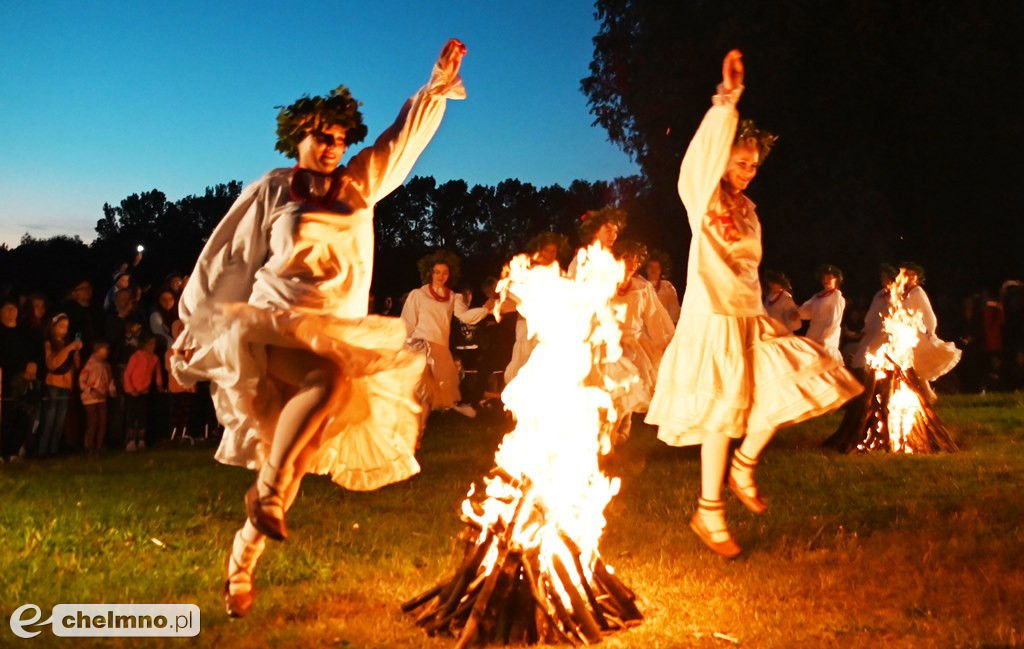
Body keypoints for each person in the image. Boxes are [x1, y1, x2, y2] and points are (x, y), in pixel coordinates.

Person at [170, 39, 467, 618]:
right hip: (274, 327)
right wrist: (193, 326)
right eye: (320, 136)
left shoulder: (360, 185)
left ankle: (241, 561)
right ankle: (268, 505)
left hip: (337, 327)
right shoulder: (274, 188)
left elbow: (401, 141)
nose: (332, 147)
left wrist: (435, 85)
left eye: (339, 138)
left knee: (296, 460)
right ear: (296, 137)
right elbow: (226, 257)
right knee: (327, 382)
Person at [645, 50, 861, 558]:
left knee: (800, 375)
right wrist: (728, 101)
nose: (748, 172)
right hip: (712, 318)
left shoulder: (748, 209)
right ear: (722, 159)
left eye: (754, 166)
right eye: (740, 163)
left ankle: (744, 466)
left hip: (748, 316)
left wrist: (762, 314)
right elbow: (699, 156)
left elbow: (747, 267)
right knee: (722, 414)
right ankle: (709, 511)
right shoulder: (703, 195)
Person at [402, 250, 493, 423]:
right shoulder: (418, 295)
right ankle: (411, 430)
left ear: (450, 274)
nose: (440, 276)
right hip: (419, 347)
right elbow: (407, 322)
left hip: (439, 351)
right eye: (437, 272)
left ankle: (418, 433)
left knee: (430, 396)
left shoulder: (453, 297)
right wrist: (402, 346)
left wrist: (486, 309)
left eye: (445, 272)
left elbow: (465, 317)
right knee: (419, 392)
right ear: (430, 272)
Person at [608, 240, 675, 445]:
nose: (631, 264)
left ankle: (621, 432)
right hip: (609, 344)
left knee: (629, 388)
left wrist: (665, 341)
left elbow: (654, 316)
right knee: (612, 390)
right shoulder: (605, 283)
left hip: (633, 345)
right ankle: (609, 432)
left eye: (635, 260)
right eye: (627, 259)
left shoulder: (643, 287)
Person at [504, 232, 567, 385]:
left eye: (554, 251)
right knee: (523, 359)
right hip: (526, 325)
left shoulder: (558, 274)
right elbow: (513, 299)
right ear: (539, 251)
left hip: (548, 327)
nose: (550, 255)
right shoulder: (528, 273)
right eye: (547, 250)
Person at [899, 262, 961, 398]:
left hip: (915, 334)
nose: (909, 278)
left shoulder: (917, 292)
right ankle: (927, 394)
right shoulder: (902, 292)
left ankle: (929, 394)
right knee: (912, 367)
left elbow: (928, 313)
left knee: (917, 366)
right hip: (904, 333)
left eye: (913, 275)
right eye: (907, 275)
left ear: (917, 278)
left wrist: (931, 331)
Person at [38, 313, 82, 456]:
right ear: (53, 327)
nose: (64, 330)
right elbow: (53, 364)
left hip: (66, 385)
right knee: (50, 419)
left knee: (60, 420)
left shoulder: (68, 343)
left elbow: (76, 365)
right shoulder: (49, 343)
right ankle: (42, 450)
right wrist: (68, 349)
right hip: (53, 385)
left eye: (66, 327)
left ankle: (54, 449)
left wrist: (76, 353)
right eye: (61, 326)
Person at [849, 264, 896, 377]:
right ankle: (865, 379)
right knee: (865, 352)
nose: (882, 279)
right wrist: (866, 328)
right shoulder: (878, 294)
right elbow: (872, 312)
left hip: (888, 331)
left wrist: (889, 302)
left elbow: (897, 311)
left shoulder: (897, 293)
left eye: (885, 277)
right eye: (882, 277)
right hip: (874, 329)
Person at [798, 264, 846, 363]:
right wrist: (797, 313)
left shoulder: (837, 297)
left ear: (836, 279)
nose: (825, 280)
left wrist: (825, 340)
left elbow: (834, 322)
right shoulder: (817, 296)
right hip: (812, 336)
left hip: (825, 341)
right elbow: (807, 311)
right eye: (824, 278)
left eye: (829, 278)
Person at [79, 340, 117, 453]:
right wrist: (91, 390)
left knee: (102, 421)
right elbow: (81, 381)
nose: (107, 352)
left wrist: (111, 390)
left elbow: (110, 379)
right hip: (90, 398)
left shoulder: (106, 365)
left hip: (102, 397)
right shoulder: (89, 365)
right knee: (93, 421)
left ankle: (99, 445)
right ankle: (89, 446)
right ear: (98, 350)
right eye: (105, 349)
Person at [567, 207, 625, 277]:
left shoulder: (611, 261)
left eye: (615, 232)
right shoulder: (581, 260)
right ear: (594, 232)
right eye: (608, 231)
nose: (613, 236)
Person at [643, 250, 681, 324]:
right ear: (646, 269)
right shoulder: (640, 287)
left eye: (657, 267)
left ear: (661, 270)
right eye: (651, 267)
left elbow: (674, 313)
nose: (653, 270)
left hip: (665, 331)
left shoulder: (668, 287)